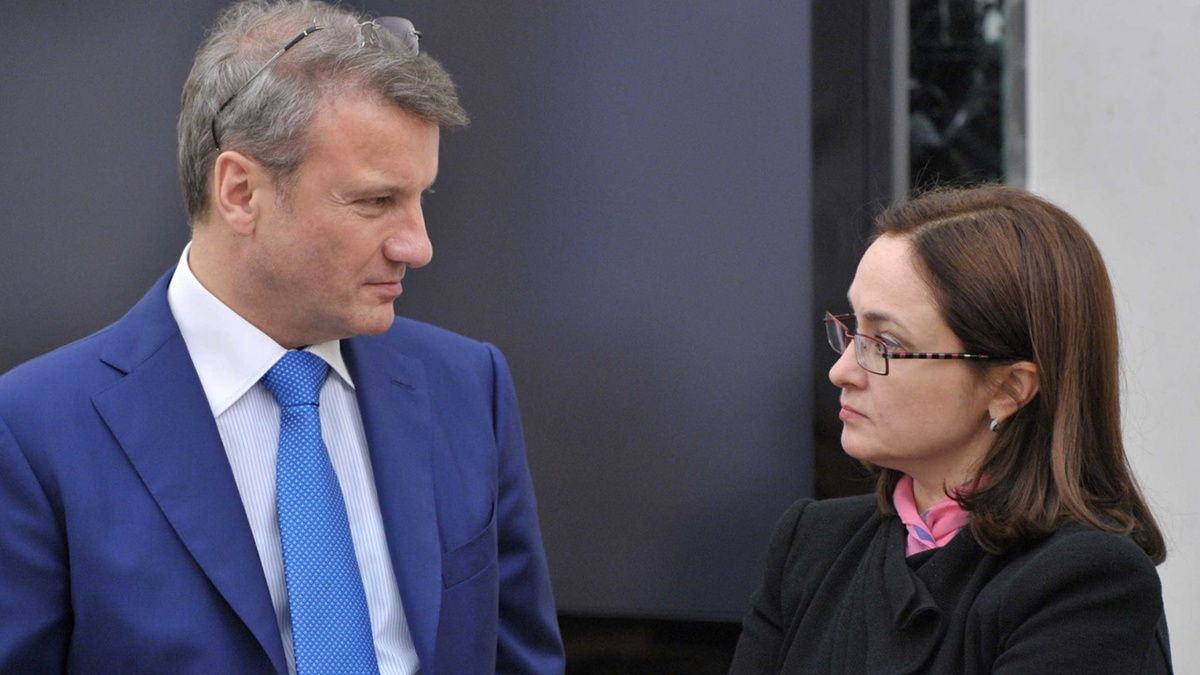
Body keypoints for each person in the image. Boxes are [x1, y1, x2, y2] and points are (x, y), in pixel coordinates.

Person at [0, 2, 564, 673]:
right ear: (241, 192)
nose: (418, 246)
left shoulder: (467, 386)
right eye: (376, 201)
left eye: (422, 199)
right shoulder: (34, 432)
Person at [729, 185, 1172, 674]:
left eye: (887, 343)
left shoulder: (1087, 581)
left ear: (1009, 388)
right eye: (852, 331)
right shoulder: (810, 542)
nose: (841, 371)